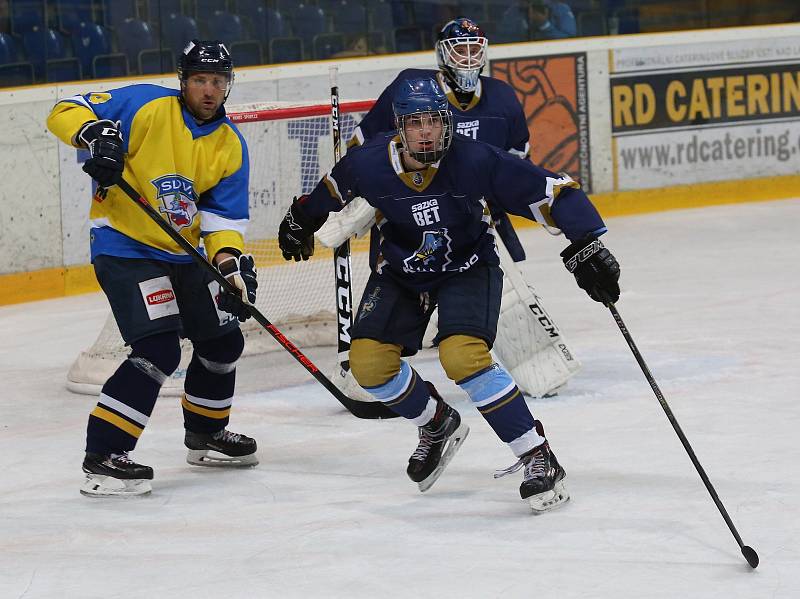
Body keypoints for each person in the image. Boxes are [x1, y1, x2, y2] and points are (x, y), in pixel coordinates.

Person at [278, 78, 621, 511]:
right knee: (368, 364)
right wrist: (299, 219)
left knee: (462, 356)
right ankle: (436, 422)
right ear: (399, 128)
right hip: (403, 271)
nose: (427, 132)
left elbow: (551, 191)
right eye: (416, 123)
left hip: (468, 266)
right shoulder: (368, 162)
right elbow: (332, 188)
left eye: (435, 122)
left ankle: (538, 456)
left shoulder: (474, 159)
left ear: (448, 124)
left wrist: (586, 240)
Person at [46, 40, 259, 497]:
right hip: (126, 247)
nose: (208, 89)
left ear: (228, 86)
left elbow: (222, 221)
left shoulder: (229, 145)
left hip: (185, 254)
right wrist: (95, 135)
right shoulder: (145, 104)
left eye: (217, 81)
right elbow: (65, 108)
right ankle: (103, 456)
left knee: (223, 341)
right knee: (159, 349)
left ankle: (206, 434)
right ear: (183, 81)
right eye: (199, 79)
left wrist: (230, 267)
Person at [349, 16, 530, 262]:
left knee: (499, 293)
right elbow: (361, 145)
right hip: (413, 213)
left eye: (474, 50)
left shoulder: (503, 97)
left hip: (480, 219)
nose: (468, 58)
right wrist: (358, 191)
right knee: (402, 286)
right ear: (443, 55)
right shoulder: (412, 88)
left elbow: (519, 163)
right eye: (459, 51)